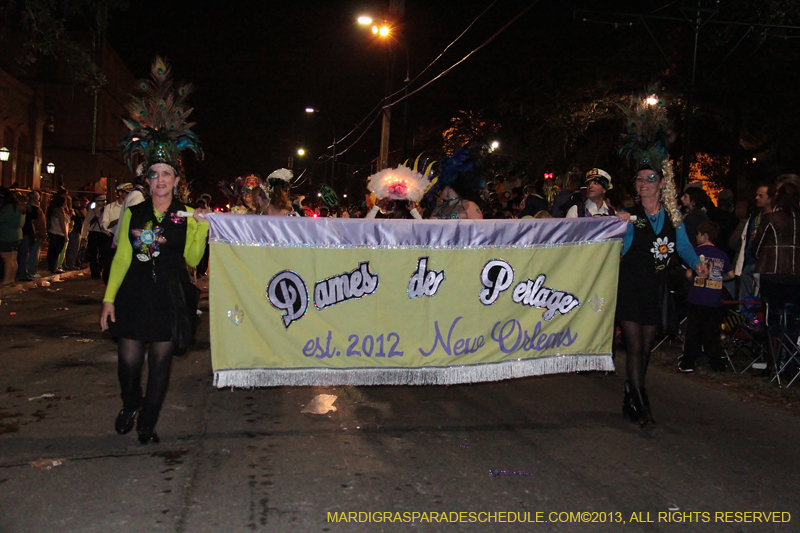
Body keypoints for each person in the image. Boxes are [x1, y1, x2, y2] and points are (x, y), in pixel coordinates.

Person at [101, 55, 207, 445]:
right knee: (129, 361)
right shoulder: (135, 211)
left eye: (166, 174)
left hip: (169, 295)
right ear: (146, 178)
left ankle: (148, 421)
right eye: (153, 174)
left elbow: (192, 260)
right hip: (134, 293)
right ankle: (130, 402)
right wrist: (109, 299)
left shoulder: (188, 214)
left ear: (177, 179)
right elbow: (123, 257)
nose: (159, 181)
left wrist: (199, 230)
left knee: (160, 363)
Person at [617, 164, 708, 427]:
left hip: (655, 287)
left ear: (661, 184)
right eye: (639, 179)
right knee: (634, 346)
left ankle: (630, 393)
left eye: (650, 179)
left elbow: (683, 246)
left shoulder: (673, 216)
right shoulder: (630, 216)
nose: (644, 183)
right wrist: (618, 224)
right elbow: (615, 247)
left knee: (646, 347)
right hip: (631, 285)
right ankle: (640, 401)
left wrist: (695, 264)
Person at [678, 221, 735, 373]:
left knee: (693, 332)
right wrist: (718, 279)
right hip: (714, 300)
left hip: (697, 298)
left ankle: (688, 362)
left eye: (697, 234)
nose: (696, 237)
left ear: (704, 236)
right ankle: (717, 363)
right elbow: (731, 274)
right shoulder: (722, 254)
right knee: (712, 332)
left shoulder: (694, 252)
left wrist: (692, 278)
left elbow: (689, 273)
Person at [734, 183, 774, 300]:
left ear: (770, 198)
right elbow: (744, 241)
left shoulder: (776, 218)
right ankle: (745, 317)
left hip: (765, 265)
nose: (757, 198)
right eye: (756, 195)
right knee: (745, 299)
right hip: (750, 262)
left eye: (761, 196)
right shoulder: (754, 217)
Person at [430, 149, 484, 220]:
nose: (438, 190)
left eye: (440, 187)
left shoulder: (469, 206)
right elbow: (428, 229)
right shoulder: (439, 208)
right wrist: (416, 213)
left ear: (448, 187)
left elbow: (481, 229)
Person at [17, 191, 47, 281]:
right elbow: (40, 223)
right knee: (29, 254)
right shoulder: (34, 210)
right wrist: (43, 234)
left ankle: (25, 272)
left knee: (24, 255)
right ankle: (29, 272)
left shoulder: (23, 209)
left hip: (26, 233)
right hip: (32, 234)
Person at [0, 187, 25, 285]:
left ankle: (6, 280)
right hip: (17, 235)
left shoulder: (9, 207)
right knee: (13, 258)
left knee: (7, 258)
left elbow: (1, 219)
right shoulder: (19, 206)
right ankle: (11, 279)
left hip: (7, 235)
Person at [46, 194, 69, 273]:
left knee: (53, 251)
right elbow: (62, 223)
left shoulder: (54, 209)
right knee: (56, 251)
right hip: (58, 233)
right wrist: (66, 235)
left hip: (54, 232)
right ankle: (54, 267)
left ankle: (53, 267)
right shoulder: (60, 210)